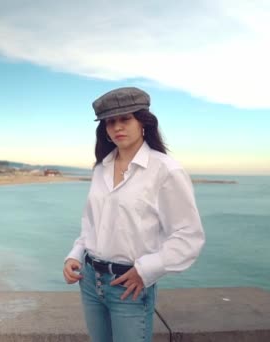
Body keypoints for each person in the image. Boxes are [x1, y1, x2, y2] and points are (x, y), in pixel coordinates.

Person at [63, 87, 205, 342]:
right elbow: (90, 225)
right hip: (89, 282)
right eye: (110, 121)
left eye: (125, 118)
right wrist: (74, 255)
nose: (117, 127)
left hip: (129, 287)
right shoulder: (101, 168)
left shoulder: (166, 171)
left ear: (143, 122)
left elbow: (188, 236)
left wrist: (146, 269)